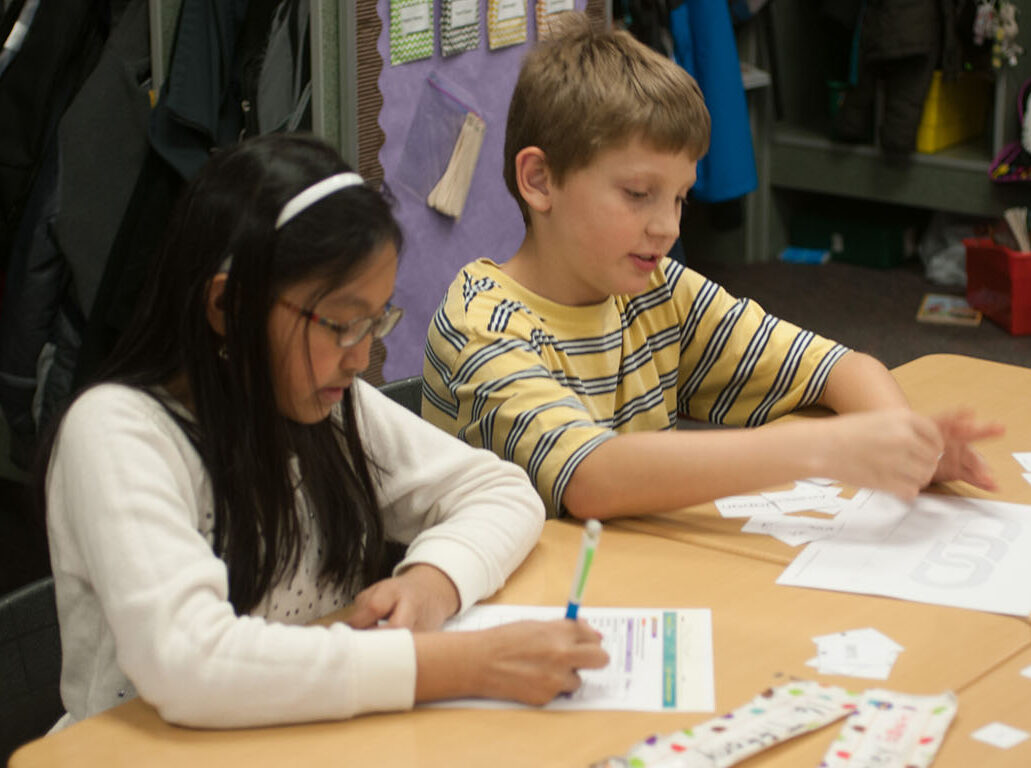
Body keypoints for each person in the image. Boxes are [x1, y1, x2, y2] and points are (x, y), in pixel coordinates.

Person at [40, 134, 607, 731]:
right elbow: (190, 661)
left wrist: (431, 581)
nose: (361, 357)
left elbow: (499, 491)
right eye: (340, 323)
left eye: (376, 319)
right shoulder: (116, 433)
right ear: (226, 305)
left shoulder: (325, 405)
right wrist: (459, 663)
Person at [422, 17, 1003, 520]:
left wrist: (902, 443)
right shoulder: (483, 325)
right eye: (638, 193)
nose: (668, 227)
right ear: (540, 181)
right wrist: (833, 449)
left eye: (679, 199)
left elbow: (835, 367)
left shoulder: (654, 289)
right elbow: (592, 478)